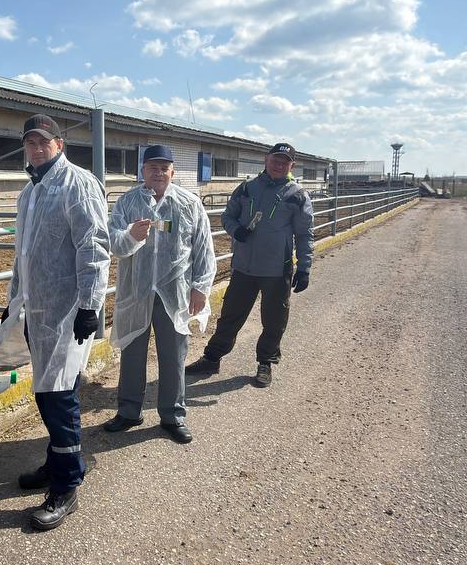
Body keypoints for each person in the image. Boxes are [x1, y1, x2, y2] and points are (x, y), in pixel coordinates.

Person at [0, 113, 110, 531]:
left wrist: (89, 305)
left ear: (59, 144)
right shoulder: (30, 192)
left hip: (66, 313)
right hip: (37, 311)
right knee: (48, 391)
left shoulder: (78, 184)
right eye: (29, 142)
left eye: (43, 142)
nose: (36, 148)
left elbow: (94, 246)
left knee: (59, 397)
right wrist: (14, 300)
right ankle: (55, 462)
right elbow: (22, 255)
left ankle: (66, 485)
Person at [104, 145, 216, 443]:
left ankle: (173, 415)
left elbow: (204, 247)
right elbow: (112, 241)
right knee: (132, 353)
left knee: (173, 355)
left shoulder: (188, 203)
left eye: (164, 167)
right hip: (136, 291)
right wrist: (130, 236)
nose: (158, 172)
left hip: (175, 292)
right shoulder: (127, 202)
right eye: (152, 167)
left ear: (172, 172)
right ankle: (128, 411)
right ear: (142, 171)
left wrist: (201, 288)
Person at [186, 142, 313, 388]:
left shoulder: (297, 195)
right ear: (265, 160)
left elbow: (305, 234)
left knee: (274, 319)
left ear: (291, 166)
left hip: (278, 269)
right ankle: (212, 358)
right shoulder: (246, 188)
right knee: (230, 316)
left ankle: (265, 362)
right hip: (244, 267)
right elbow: (227, 216)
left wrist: (305, 267)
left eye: (284, 162)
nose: (278, 164)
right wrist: (236, 231)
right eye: (275, 159)